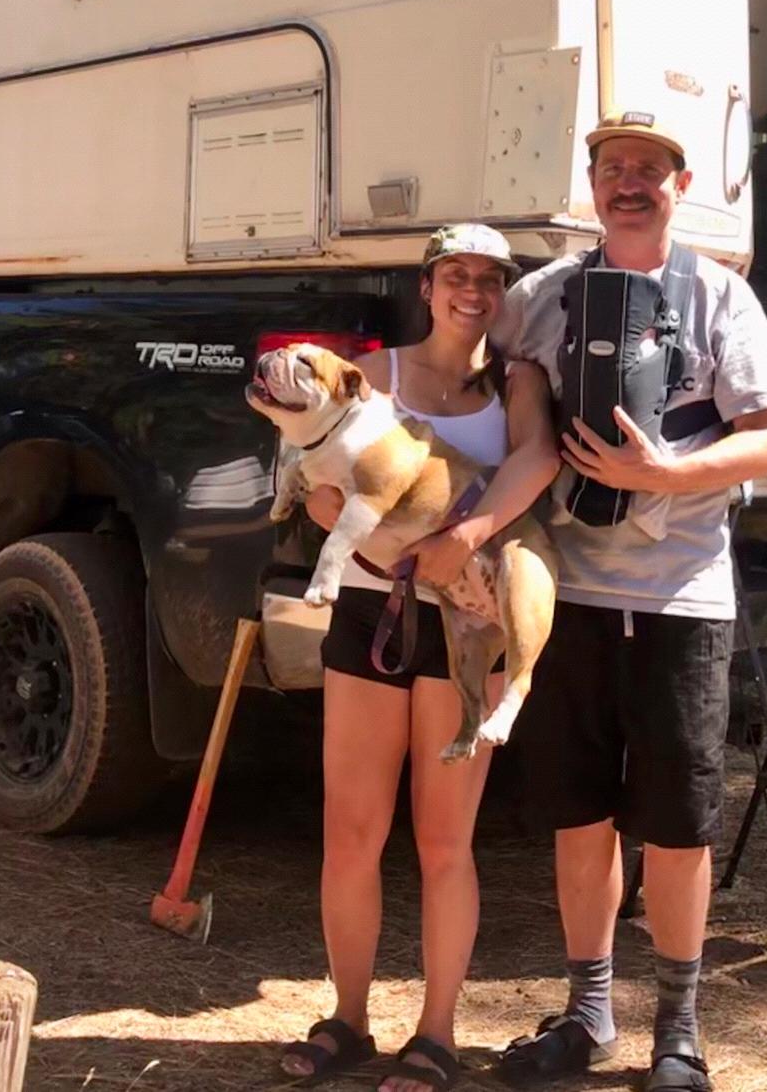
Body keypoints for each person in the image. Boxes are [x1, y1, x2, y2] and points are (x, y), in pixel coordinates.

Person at [489, 113, 767, 1092]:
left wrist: (660, 475)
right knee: (577, 818)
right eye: (611, 168)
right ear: (588, 184)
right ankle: (587, 1015)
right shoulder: (538, 299)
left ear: (680, 182)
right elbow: (499, 409)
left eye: (648, 170)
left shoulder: (719, 296)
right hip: (564, 601)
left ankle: (678, 1031)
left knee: (675, 827)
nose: (628, 183)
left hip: (680, 606)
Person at [279, 224, 562, 1092]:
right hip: (369, 616)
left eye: (487, 278)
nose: (469, 291)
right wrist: (325, 513)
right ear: (428, 284)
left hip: (458, 627)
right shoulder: (377, 370)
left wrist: (464, 537)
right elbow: (315, 467)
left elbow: (538, 460)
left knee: (445, 839)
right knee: (350, 832)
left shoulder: (517, 382)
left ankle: (436, 1033)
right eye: (454, 275)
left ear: (502, 292)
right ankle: (349, 1017)